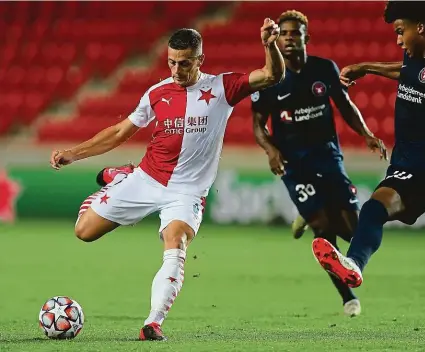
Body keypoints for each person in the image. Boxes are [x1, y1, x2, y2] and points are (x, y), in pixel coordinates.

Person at [49, 20, 285, 341]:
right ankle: (120, 177)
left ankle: (153, 322)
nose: (176, 69)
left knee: (176, 244)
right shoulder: (157, 93)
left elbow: (272, 75)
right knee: (84, 232)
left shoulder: (221, 87)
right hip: (145, 178)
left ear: (200, 60)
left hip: (186, 192)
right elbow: (121, 131)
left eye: (185, 63)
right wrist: (74, 153)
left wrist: (270, 45)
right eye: (171, 61)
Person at [312, 1, 425, 290]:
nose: (397, 39)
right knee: (374, 209)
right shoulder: (415, 55)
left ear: (420, 27)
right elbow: (407, 72)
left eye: (400, 31)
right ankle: (354, 264)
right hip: (410, 168)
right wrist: (366, 67)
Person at [251, 10, 387, 317]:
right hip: (294, 165)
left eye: (293, 33)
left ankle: (306, 216)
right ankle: (347, 297)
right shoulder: (270, 78)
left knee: (352, 230)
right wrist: (271, 150)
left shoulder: (324, 69)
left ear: (305, 38)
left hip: (327, 156)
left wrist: (366, 134)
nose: (287, 38)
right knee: (324, 232)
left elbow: (346, 105)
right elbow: (258, 124)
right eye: (283, 33)